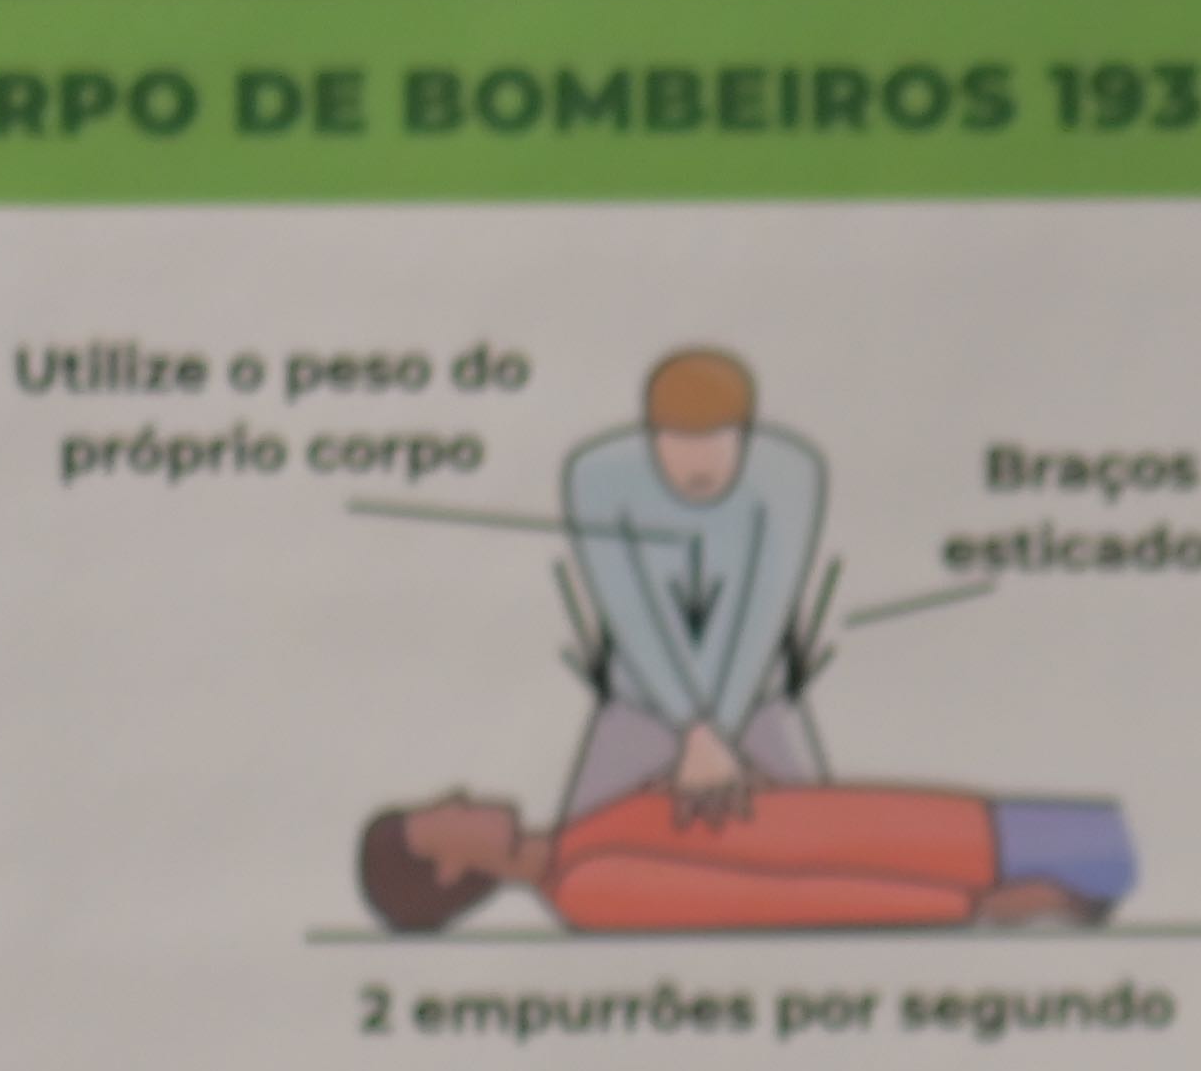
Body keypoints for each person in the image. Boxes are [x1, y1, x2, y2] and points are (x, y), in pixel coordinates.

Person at [561, 348, 832, 823]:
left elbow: (762, 613)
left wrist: (716, 735)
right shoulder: (596, 476)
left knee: (820, 844)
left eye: (718, 441)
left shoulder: (791, 472)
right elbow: (631, 612)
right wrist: (695, 732)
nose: (699, 462)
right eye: (679, 442)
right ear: (652, 437)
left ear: (745, 436)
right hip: (642, 702)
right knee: (590, 843)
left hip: (756, 699)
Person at [355, 787, 1136, 936]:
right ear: (450, 871)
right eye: (440, 815)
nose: (457, 796)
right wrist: (979, 905)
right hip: (974, 859)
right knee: (1124, 848)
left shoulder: (578, 841)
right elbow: (784, 899)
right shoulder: (587, 888)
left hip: (945, 828)